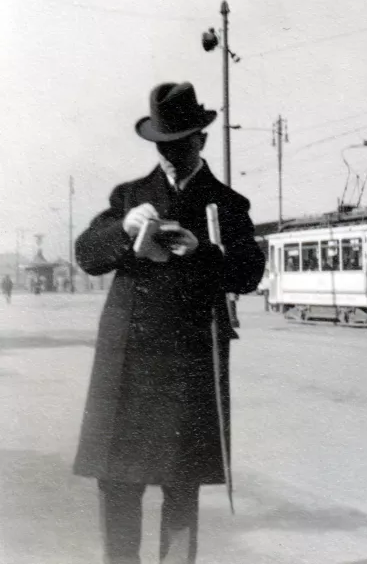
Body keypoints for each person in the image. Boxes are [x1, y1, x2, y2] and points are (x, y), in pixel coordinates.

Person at [73, 82, 265, 564]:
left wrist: (204, 252)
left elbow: (248, 273)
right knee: (117, 480)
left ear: (201, 140)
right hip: (127, 360)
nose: (170, 154)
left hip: (188, 359)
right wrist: (123, 228)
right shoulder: (129, 196)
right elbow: (87, 256)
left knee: (181, 482)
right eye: (163, 144)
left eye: (180, 143)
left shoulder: (228, 204)